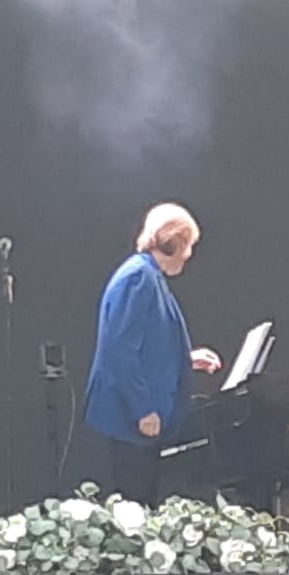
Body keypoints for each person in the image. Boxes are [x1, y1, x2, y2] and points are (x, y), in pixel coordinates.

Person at [86, 203, 222, 507]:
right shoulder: (139, 278)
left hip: (139, 415)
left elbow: (148, 342)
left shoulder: (149, 275)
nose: (189, 254)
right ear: (173, 243)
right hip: (132, 418)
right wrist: (143, 409)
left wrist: (187, 359)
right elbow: (120, 350)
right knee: (136, 503)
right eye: (189, 245)